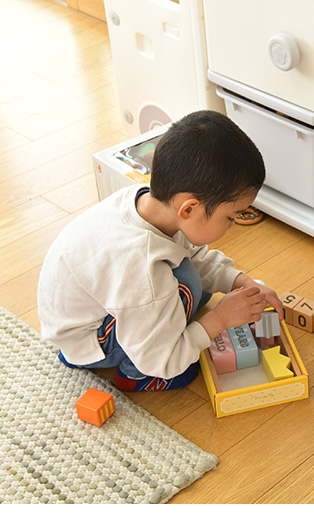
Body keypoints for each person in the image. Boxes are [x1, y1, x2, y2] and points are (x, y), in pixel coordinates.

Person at [37, 110, 283, 392]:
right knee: (189, 283)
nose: (233, 225)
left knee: (189, 274)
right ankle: (135, 376)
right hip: (90, 344)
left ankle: (162, 330)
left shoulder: (150, 202)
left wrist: (240, 281)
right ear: (189, 208)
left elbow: (195, 253)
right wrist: (219, 319)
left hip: (89, 310)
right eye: (230, 216)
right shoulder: (141, 266)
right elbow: (161, 359)